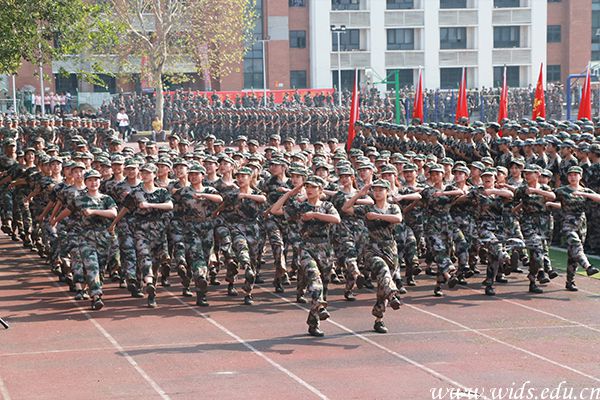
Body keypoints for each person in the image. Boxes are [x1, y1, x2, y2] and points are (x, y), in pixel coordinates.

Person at [271, 175, 340, 337]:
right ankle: (319, 309)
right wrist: (289, 194)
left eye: (313, 187)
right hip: (306, 247)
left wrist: (315, 215)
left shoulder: (327, 206)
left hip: (325, 249)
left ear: (320, 190)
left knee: (323, 287)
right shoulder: (299, 207)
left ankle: (313, 322)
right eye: (307, 187)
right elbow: (275, 210)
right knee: (314, 278)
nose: (309, 190)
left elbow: (336, 219)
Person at [342, 179, 403, 334]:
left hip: (390, 249)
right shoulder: (367, 208)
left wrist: (377, 216)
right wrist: (359, 194)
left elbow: (398, 219)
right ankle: (393, 294)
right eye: (375, 190)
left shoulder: (393, 207)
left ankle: (379, 319)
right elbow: (345, 208)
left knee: (382, 288)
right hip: (372, 248)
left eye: (381, 190)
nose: (377, 193)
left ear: (387, 192)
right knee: (382, 270)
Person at [552, 166, 600, 291]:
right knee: (575, 244)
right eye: (570, 175)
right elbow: (550, 196)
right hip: (568, 222)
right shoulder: (562, 190)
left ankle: (570, 281)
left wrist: (583, 193)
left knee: (573, 254)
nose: (572, 177)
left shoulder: (585, 191)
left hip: (581, 224)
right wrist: (550, 203)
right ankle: (588, 266)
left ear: (580, 176)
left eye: (575, 174)